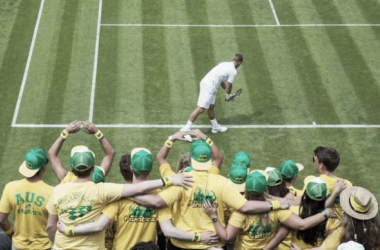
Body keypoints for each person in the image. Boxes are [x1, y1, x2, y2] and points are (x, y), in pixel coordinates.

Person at [133, 131, 290, 250]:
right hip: (213, 244)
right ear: (208, 160)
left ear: (192, 160)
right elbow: (246, 206)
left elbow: (156, 201)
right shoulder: (221, 181)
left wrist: (129, 192)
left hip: (182, 245)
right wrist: (275, 204)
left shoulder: (180, 181)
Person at [56, 148, 216, 249]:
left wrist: (69, 229)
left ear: (131, 168)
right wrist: (199, 236)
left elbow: (100, 226)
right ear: (151, 169)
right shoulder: (160, 195)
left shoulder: (117, 196)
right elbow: (167, 230)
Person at [202, 172, 335, 250]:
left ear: (246, 189)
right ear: (265, 189)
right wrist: (325, 213)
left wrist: (214, 216)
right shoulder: (278, 208)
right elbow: (300, 225)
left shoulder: (240, 211)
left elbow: (226, 237)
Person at [0, 148, 53, 249]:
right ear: (43, 168)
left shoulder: (10, 187)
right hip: (44, 247)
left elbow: (1, 220)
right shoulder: (52, 192)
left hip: (18, 246)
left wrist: (10, 233)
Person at [180, 54, 244, 133]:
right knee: (200, 109)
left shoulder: (224, 64)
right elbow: (229, 86)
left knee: (211, 107)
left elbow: (221, 80)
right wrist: (228, 96)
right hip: (209, 86)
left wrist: (226, 92)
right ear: (239, 63)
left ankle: (215, 127)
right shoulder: (233, 71)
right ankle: (186, 127)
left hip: (208, 83)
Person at [49, 120, 115, 184]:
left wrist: (65, 132)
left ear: (72, 166)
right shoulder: (97, 177)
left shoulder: (66, 179)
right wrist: (97, 132)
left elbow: (52, 154)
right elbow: (110, 153)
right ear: (93, 167)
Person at [311, 147, 352, 220]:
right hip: (344, 226)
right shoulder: (347, 184)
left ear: (321, 165)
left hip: (325, 228)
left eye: (314, 160)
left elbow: (314, 209)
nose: (313, 162)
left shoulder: (315, 183)